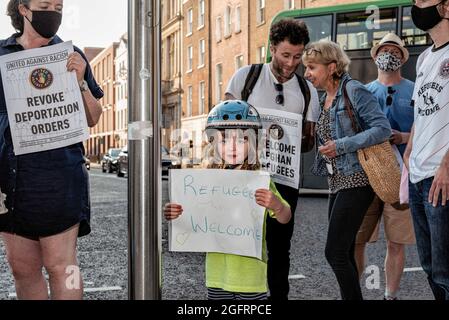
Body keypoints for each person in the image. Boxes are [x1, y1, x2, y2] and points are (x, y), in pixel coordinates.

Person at [0, 0, 103, 299]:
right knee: (22, 267)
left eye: (58, 7)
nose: (52, 13)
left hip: (59, 178)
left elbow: (94, 117)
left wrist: (81, 81)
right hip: (11, 179)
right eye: (45, 5)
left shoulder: (71, 55)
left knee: (62, 266)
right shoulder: (2, 55)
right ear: (23, 9)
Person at [225, 18, 320, 300]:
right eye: (285, 55)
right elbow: (223, 123)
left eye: (298, 56)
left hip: (284, 180)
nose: (292, 63)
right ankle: (238, 299)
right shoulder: (246, 77)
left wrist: (294, 134)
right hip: (244, 176)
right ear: (272, 48)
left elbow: (307, 142)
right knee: (240, 244)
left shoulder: (307, 91)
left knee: (280, 250)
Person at [164, 100, 292, 300]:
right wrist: (177, 215)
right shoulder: (206, 182)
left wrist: (276, 204)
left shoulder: (260, 180)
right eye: (224, 141)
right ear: (213, 144)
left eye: (241, 140)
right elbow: (196, 222)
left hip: (250, 278)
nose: (232, 147)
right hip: (216, 276)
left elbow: (285, 217)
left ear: (254, 143)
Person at [302, 40, 391, 300]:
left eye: (312, 67)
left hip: (358, 179)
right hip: (337, 181)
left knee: (335, 252)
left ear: (331, 67)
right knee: (345, 250)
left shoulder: (354, 90)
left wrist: (342, 145)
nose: (307, 73)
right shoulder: (323, 98)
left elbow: (382, 128)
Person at [354, 32, 416, 300]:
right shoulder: (365, 92)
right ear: (375, 55)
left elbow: (426, 128)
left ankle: (390, 296)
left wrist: (403, 138)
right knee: (357, 239)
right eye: (383, 49)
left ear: (401, 57)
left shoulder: (414, 90)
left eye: (393, 50)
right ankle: (353, 292)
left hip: (402, 177)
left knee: (396, 241)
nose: (387, 54)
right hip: (369, 175)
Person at [404, 0, 449, 300]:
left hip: (441, 176)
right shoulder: (423, 59)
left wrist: (447, 165)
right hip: (418, 176)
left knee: (446, 269)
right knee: (429, 265)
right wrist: (408, 151)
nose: (417, 5)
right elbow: (421, 112)